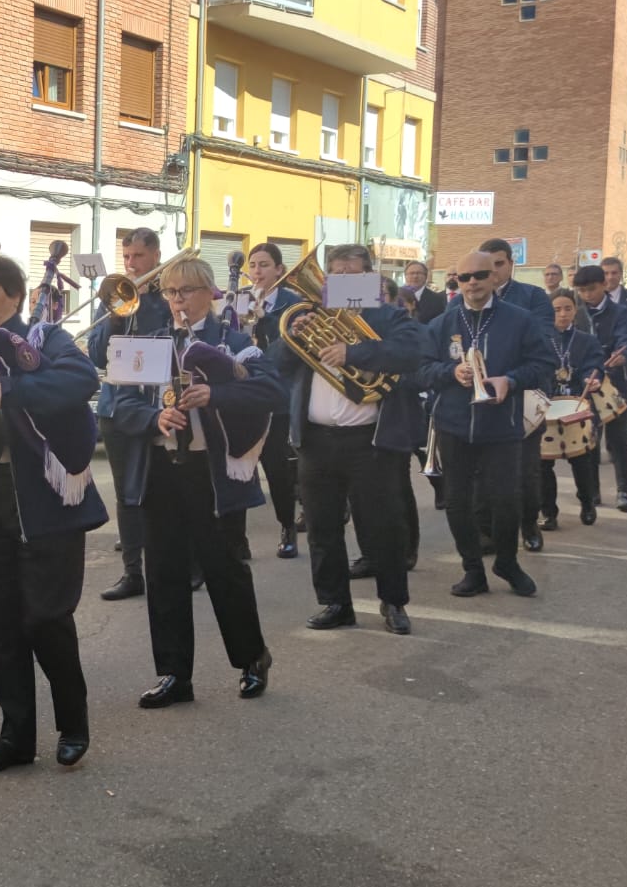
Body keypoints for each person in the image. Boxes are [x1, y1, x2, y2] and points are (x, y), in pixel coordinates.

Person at [0, 254, 107, 769]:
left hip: (43, 504)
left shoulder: (46, 340)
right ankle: (15, 737)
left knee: (48, 620)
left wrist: (9, 391)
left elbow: (80, 384)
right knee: (4, 629)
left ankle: (73, 723)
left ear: (14, 296)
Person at [113, 257, 283, 710]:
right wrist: (155, 416)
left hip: (211, 472)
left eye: (186, 291)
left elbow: (272, 391)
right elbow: (118, 404)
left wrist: (218, 394)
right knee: (164, 572)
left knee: (223, 568)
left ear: (210, 293)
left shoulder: (233, 340)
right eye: (170, 292)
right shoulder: (149, 342)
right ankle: (173, 674)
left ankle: (252, 658)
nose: (177, 300)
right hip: (162, 468)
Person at [268, 247, 426, 635]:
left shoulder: (387, 317)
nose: (339, 281)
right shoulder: (310, 316)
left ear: (369, 280)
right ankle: (335, 603)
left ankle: (393, 603)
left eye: (350, 274)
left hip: (369, 443)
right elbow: (276, 364)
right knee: (322, 528)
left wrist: (355, 351)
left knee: (382, 527)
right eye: (334, 275)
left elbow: (415, 350)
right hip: (316, 441)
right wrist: (293, 338)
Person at [418, 250, 559, 598]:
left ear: (494, 277)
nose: (472, 283)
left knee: (506, 498)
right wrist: (450, 372)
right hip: (454, 425)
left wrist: (509, 380)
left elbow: (544, 364)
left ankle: (507, 562)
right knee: (457, 501)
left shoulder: (520, 319)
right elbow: (420, 371)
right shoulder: (442, 323)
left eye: (479, 275)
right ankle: (472, 569)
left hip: (502, 424)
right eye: (464, 278)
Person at [90, 227, 172, 601]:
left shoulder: (167, 294)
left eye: (138, 257)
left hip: (157, 405)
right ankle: (132, 572)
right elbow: (95, 354)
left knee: (162, 489)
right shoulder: (112, 297)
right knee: (126, 492)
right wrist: (115, 318)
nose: (131, 264)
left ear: (155, 256)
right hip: (115, 405)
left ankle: (177, 565)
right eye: (126, 257)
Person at [477, 237, 553, 554]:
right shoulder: (466, 298)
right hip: (480, 395)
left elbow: (542, 344)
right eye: (486, 266)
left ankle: (528, 524)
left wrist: (507, 371)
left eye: (498, 264)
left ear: (510, 263)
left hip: (523, 393)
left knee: (524, 469)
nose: (492, 272)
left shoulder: (533, 297)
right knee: (481, 470)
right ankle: (488, 531)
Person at [240, 242, 302, 559]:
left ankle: (287, 526)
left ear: (279, 269)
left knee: (276, 466)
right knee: (239, 466)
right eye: (253, 265)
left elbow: (290, 351)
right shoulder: (241, 298)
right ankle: (239, 539)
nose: (257, 271)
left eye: (264, 265)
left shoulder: (293, 304)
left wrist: (264, 322)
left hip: (277, 394)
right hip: (244, 394)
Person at [537, 289, 608, 530]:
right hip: (547, 406)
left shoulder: (586, 340)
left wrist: (592, 377)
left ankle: (587, 502)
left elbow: (595, 363)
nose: (563, 314)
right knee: (542, 464)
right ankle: (548, 511)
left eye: (568, 308)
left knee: (583, 461)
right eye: (557, 309)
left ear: (575, 311)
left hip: (577, 405)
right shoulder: (539, 339)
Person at [576, 263, 627, 513]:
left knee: (617, 439)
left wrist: (623, 353)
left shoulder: (620, 312)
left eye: (591, 289)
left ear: (604, 285)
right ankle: (593, 490)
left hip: (615, 382)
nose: (587, 295)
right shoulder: (577, 313)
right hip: (586, 382)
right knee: (590, 441)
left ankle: (623, 490)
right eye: (582, 291)